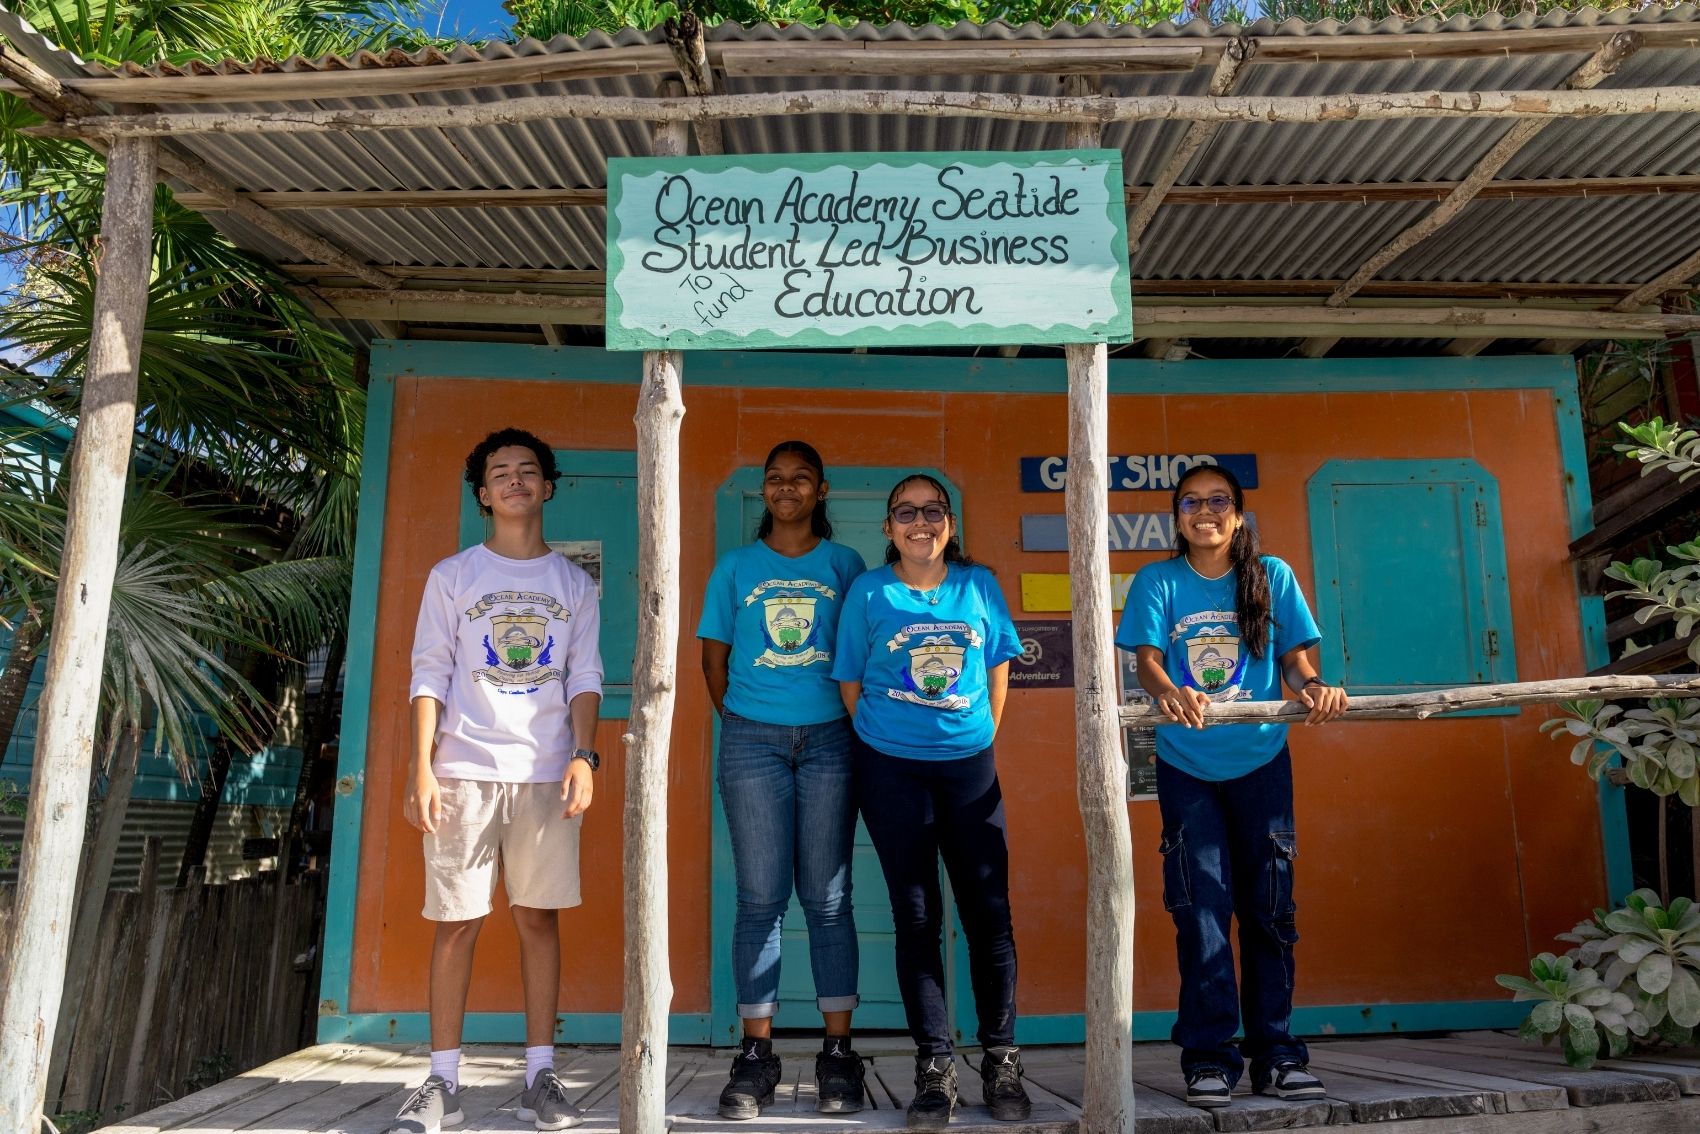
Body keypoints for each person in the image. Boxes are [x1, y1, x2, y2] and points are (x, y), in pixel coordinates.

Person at [1115, 463, 1347, 1110]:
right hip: (1188, 768)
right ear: (1177, 517)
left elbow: (1295, 665)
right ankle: (1210, 1057)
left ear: (1239, 515)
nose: (1205, 510)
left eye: (1219, 500)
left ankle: (1276, 1053)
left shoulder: (1271, 578)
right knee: (1202, 913)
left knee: (1271, 912)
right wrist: (1171, 693)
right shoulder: (1159, 580)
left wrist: (1315, 689)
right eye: (1192, 502)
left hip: (1262, 762)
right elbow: (1148, 662)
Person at [392, 428, 604, 1133]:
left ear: (548, 487)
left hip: (545, 772)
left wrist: (585, 755)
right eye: (500, 473)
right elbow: (429, 672)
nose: (515, 481)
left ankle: (540, 1076)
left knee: (537, 920)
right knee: (455, 924)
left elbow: (584, 676)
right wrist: (421, 767)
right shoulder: (454, 576)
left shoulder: (574, 583)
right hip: (463, 771)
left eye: (528, 471)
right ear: (483, 496)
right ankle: (441, 1082)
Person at [832, 474, 1032, 1131]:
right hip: (891, 769)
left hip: (969, 768)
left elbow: (1000, 663)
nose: (921, 522)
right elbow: (852, 680)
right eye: (907, 513)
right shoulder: (869, 591)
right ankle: (935, 1068)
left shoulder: (979, 586)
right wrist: (889, 742)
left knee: (988, 913)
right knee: (916, 915)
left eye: (933, 511)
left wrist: (979, 734)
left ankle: (1001, 1059)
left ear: (950, 523)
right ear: (888, 527)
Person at [697, 441, 869, 1118]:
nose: (787, 488)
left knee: (829, 899)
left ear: (821, 489)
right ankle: (756, 1056)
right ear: (763, 491)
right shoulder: (736, 568)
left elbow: (858, 652)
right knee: (760, 898)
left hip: (832, 740)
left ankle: (837, 1056)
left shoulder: (845, 565)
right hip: (752, 743)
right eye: (776, 480)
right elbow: (714, 659)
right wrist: (748, 721)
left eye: (800, 479)